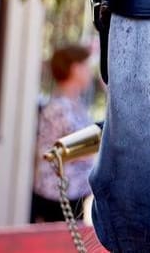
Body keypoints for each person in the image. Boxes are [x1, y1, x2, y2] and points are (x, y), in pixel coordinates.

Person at [31, 44, 95, 223]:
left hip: (73, 195)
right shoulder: (60, 108)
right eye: (86, 65)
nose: (90, 71)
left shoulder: (74, 104)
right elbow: (85, 150)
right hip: (57, 199)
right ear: (75, 69)